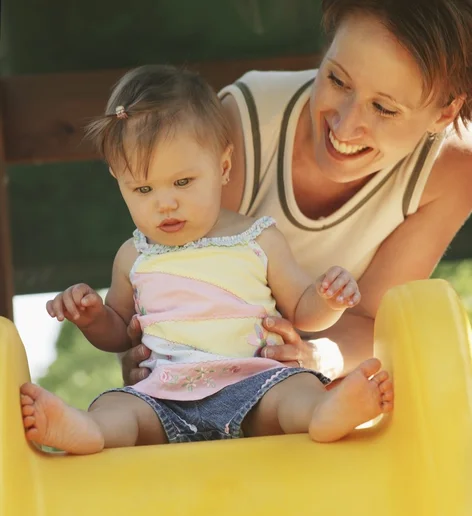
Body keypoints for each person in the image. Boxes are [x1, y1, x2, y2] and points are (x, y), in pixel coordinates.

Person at [19, 65, 392, 454]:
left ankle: (324, 412)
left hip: (255, 385)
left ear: (223, 166)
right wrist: (92, 317)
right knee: (117, 406)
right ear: (119, 182)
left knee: (295, 389)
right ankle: (89, 429)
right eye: (143, 188)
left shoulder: (257, 238)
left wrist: (329, 299)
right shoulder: (133, 255)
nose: (165, 203)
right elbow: (119, 333)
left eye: (182, 182)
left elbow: (302, 310)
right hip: (164, 394)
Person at [120, 0, 472, 386]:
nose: (345, 124)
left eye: (384, 108)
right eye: (337, 80)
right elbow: (174, 270)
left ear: (444, 113)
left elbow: (374, 322)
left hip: (314, 392)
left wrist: (316, 357)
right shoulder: (247, 118)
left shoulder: (454, 170)